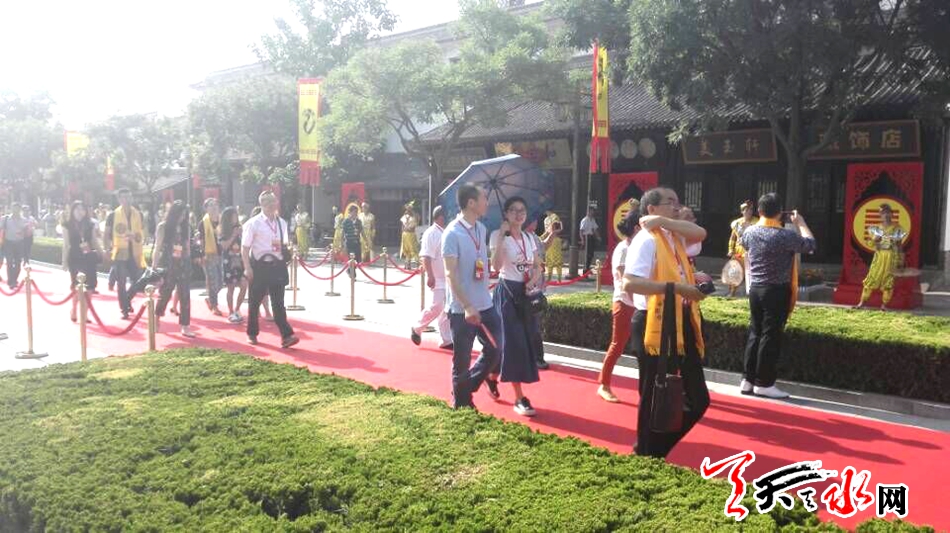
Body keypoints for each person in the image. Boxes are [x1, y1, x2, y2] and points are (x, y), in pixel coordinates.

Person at [623, 187, 709, 459]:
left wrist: (664, 221)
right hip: (654, 320)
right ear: (651, 208)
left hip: (681, 319)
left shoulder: (673, 235)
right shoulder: (646, 240)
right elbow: (630, 283)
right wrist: (676, 288)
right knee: (654, 394)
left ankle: (655, 451)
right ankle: (645, 453)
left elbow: (700, 233)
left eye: (677, 202)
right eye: (669, 202)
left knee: (698, 399)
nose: (676, 206)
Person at [739, 193, 815, 399]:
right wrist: (801, 223)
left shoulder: (750, 231)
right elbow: (810, 244)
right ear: (780, 212)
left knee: (755, 332)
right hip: (776, 290)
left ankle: (747, 380)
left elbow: (744, 244)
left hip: (755, 289)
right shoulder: (785, 235)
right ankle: (764, 383)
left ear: (759, 211)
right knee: (770, 336)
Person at [442, 183, 503, 410]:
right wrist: (467, 305)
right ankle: (462, 405)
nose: (487, 202)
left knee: (497, 347)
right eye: (483, 198)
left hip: (485, 303)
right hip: (462, 309)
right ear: (471, 203)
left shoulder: (481, 229)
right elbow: (450, 273)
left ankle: (466, 387)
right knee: (462, 360)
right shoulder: (452, 233)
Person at [487, 197, 544, 417]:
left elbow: (538, 265)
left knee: (521, 340)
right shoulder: (497, 235)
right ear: (506, 214)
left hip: (526, 293)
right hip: (507, 294)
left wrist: (533, 280)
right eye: (513, 210)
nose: (518, 214)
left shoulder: (530, 237)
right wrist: (502, 235)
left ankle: (491, 376)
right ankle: (520, 397)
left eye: (522, 210)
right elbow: (495, 266)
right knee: (514, 343)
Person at [242, 191, 299, 348]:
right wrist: (247, 267)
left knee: (278, 303)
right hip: (259, 266)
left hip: (277, 265)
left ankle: (286, 335)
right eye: (268, 202)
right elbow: (245, 248)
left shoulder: (282, 223)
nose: (272, 205)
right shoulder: (253, 223)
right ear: (262, 204)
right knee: (254, 302)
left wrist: (289, 251)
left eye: (274, 201)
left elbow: (284, 244)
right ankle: (252, 333)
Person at [597, 203, 641, 403]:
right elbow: (624, 281)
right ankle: (604, 385)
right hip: (625, 303)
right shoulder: (623, 249)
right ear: (636, 227)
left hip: (640, 303)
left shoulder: (639, 247)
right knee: (618, 345)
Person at [150, 201, 196, 338]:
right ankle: (157, 318)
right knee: (165, 294)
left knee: (185, 295)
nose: (182, 218)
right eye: (180, 214)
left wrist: (189, 263)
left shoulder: (185, 227)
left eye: (184, 215)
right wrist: (154, 266)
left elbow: (187, 247)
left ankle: (185, 325)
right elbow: (157, 248)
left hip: (183, 264)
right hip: (168, 264)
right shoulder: (163, 227)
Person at [411, 206, 452, 350]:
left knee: (446, 310)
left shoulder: (446, 232)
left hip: (447, 278)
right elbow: (425, 256)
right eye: (447, 215)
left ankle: (446, 339)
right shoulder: (431, 233)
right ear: (441, 217)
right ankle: (417, 327)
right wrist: (430, 275)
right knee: (437, 306)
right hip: (437, 278)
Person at [104, 189, 146, 319]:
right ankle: (124, 309)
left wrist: (136, 236)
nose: (126, 200)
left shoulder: (138, 214)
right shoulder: (113, 215)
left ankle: (126, 299)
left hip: (135, 251)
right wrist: (107, 249)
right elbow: (106, 234)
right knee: (121, 282)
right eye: (123, 197)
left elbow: (143, 232)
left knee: (138, 280)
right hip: (120, 252)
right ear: (119, 199)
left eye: (129, 197)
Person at [855, 203, 906, 310]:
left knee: (889, 281)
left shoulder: (897, 228)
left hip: (892, 257)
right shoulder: (876, 229)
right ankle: (862, 302)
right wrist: (875, 240)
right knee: (872, 277)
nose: (886, 215)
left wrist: (901, 261)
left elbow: (899, 245)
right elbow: (871, 243)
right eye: (883, 213)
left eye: (888, 213)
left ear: (892, 214)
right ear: (880, 215)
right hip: (879, 257)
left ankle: (884, 305)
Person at [62, 201, 102, 322]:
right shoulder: (67, 225)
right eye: (77, 209)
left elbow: (94, 241)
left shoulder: (90, 224)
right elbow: (66, 244)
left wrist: (101, 253)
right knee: (77, 287)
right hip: (75, 258)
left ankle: (84, 314)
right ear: (72, 211)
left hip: (88, 257)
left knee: (89, 287)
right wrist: (64, 261)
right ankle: (74, 309)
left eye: (82, 209)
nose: (80, 212)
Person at [525, 217, 549, 370]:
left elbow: (542, 252)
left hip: (534, 286)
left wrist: (552, 233)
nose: (536, 222)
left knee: (534, 324)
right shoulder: (518, 238)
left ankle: (537, 357)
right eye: (533, 219)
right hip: (521, 286)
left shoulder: (534, 237)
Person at [219, 206, 247, 324]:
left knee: (244, 285)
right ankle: (231, 312)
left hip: (241, 262)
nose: (236, 217)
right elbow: (224, 246)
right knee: (230, 287)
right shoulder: (223, 231)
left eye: (236, 215)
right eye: (234, 215)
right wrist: (233, 235)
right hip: (229, 262)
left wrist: (242, 233)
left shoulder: (240, 228)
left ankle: (237, 309)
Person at [198, 198, 224, 316]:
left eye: (215, 205)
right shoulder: (203, 223)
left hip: (221, 254)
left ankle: (210, 299)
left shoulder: (222, 221)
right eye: (211, 205)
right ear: (206, 209)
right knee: (213, 281)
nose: (214, 207)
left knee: (221, 282)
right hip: (209, 255)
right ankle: (214, 305)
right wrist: (202, 255)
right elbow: (202, 241)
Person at [727, 201, 758, 297]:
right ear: (742, 211)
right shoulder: (736, 223)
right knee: (734, 272)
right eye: (746, 210)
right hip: (738, 252)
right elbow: (733, 238)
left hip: (751, 252)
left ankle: (752, 294)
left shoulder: (757, 222)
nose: (749, 212)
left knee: (752, 274)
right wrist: (730, 249)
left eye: (751, 209)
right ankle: (732, 292)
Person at [0, 204, 29, 289]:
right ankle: (11, 281)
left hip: (19, 243)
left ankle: (14, 279)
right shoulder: (5, 219)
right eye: (14, 209)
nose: (15, 211)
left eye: (17, 209)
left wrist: (24, 231)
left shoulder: (24, 220)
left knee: (18, 263)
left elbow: (27, 233)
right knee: (9, 262)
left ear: (20, 210)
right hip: (8, 243)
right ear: (11, 209)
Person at [341, 204, 363, 277]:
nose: (356, 213)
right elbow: (342, 233)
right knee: (352, 259)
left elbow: (362, 231)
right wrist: (341, 244)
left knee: (358, 260)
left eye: (356, 212)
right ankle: (352, 274)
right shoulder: (345, 221)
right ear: (350, 212)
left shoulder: (359, 222)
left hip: (357, 243)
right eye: (354, 212)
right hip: (349, 243)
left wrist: (366, 241)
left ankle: (349, 270)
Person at [542, 211, 563, 282]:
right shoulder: (546, 219)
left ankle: (559, 278)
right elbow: (546, 231)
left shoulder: (555, 217)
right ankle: (549, 277)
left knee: (557, 260)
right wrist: (543, 236)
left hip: (555, 240)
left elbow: (559, 228)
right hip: (548, 239)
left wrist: (553, 232)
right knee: (549, 259)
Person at [580, 206, 600, 273]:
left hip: (591, 237)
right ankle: (585, 271)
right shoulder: (585, 220)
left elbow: (595, 229)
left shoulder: (592, 219)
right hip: (586, 237)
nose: (592, 212)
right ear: (588, 212)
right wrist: (582, 240)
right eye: (591, 211)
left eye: (593, 211)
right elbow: (581, 231)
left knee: (591, 254)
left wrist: (598, 237)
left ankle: (587, 268)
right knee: (587, 255)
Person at [400, 202, 420, 269]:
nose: (408, 210)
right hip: (405, 234)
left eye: (409, 208)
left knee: (413, 249)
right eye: (407, 209)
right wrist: (403, 232)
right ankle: (407, 264)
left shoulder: (414, 216)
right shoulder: (404, 216)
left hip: (411, 234)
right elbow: (402, 226)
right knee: (406, 250)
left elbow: (416, 223)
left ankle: (418, 263)